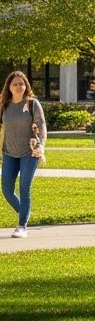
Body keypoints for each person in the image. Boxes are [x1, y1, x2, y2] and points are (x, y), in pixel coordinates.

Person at [1, 71, 47, 238]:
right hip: (9, 153)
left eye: (21, 84)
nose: (19, 87)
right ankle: (25, 212)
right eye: (15, 84)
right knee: (7, 190)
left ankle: (22, 226)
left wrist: (40, 146)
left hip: (30, 152)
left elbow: (41, 126)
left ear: (26, 86)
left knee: (24, 188)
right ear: (9, 87)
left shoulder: (32, 104)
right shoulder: (4, 105)